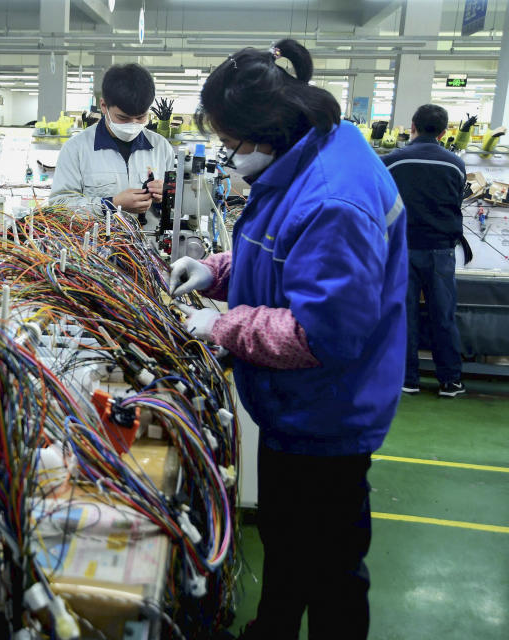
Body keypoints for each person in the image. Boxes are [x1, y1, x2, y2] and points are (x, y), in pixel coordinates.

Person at [169, 39, 407, 640]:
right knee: (289, 546)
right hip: (296, 413)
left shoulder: (333, 198)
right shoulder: (310, 154)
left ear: (265, 129)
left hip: (326, 416)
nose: (228, 156)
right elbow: (282, 253)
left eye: (230, 143)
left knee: (329, 570)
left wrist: (220, 324)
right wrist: (217, 271)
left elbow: (319, 334)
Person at [381, 104, 466, 397]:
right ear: (444, 132)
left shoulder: (392, 161)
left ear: (412, 126)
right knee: (443, 315)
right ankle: (450, 380)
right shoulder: (455, 164)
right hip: (441, 250)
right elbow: (456, 200)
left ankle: (408, 379)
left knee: (405, 315)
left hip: (402, 249)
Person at [50, 63, 174, 227]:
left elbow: (176, 206)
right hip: (95, 248)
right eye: (123, 118)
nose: (133, 124)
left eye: (141, 117)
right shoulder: (76, 149)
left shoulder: (161, 148)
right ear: (103, 106)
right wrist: (110, 204)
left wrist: (164, 197)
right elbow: (58, 207)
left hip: (147, 247)